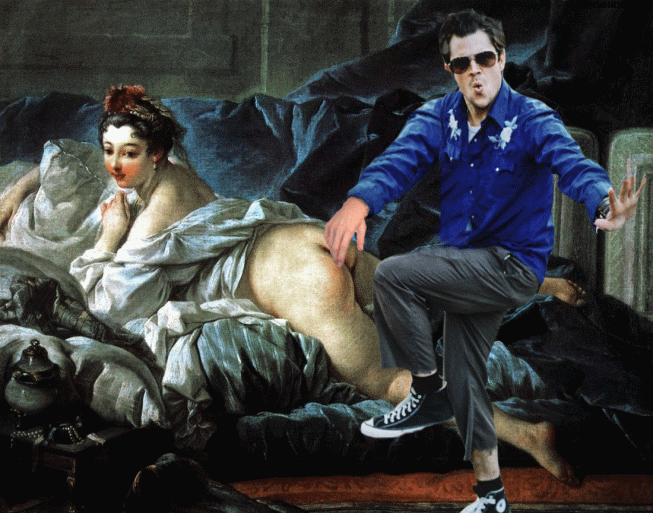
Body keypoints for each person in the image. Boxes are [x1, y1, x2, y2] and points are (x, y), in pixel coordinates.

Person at [0, 85, 599, 485]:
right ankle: (532, 286)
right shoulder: (164, 173)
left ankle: (523, 433)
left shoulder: (154, 208)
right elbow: (64, 159)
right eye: (109, 151)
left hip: (292, 280)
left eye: (127, 154)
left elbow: (115, 304)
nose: (114, 166)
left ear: (156, 152)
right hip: (306, 240)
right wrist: (17, 193)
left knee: (385, 381)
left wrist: (108, 241)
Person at [324, 9, 646, 513]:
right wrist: (359, 201)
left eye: (485, 59)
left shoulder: (532, 118)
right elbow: (397, 162)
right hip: (467, 266)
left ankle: (425, 393)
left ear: (501, 58)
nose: (475, 72)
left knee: (392, 273)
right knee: (464, 378)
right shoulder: (438, 117)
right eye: (462, 64)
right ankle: (496, 488)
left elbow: (574, 165)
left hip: (514, 266)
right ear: (449, 70)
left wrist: (605, 204)